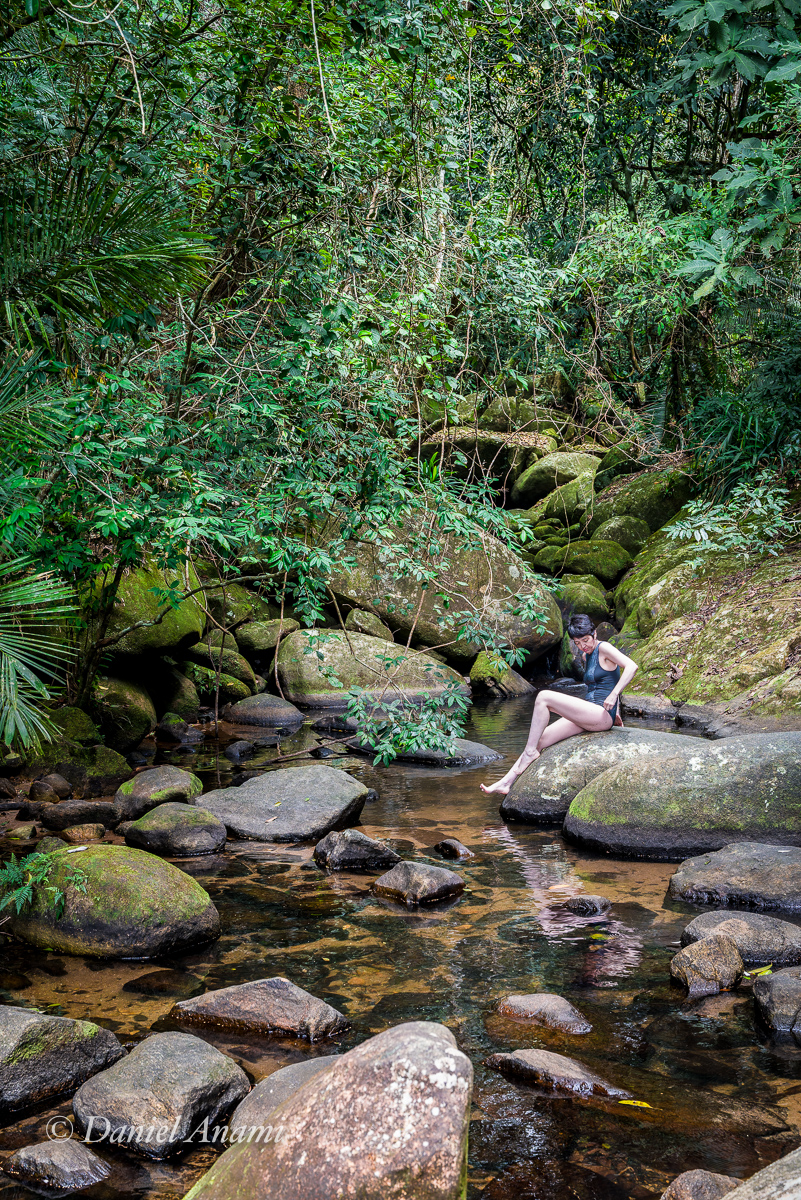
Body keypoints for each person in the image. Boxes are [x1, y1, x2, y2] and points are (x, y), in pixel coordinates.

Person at [480, 613, 638, 796]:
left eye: (585, 640)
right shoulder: (587, 656)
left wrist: (614, 696)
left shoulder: (605, 648)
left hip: (600, 714)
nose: (582, 646)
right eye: (577, 643)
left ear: (595, 634)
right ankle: (506, 782)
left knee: (544, 697)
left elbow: (631, 666)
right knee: (540, 738)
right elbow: (602, 682)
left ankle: (530, 753)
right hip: (590, 713)